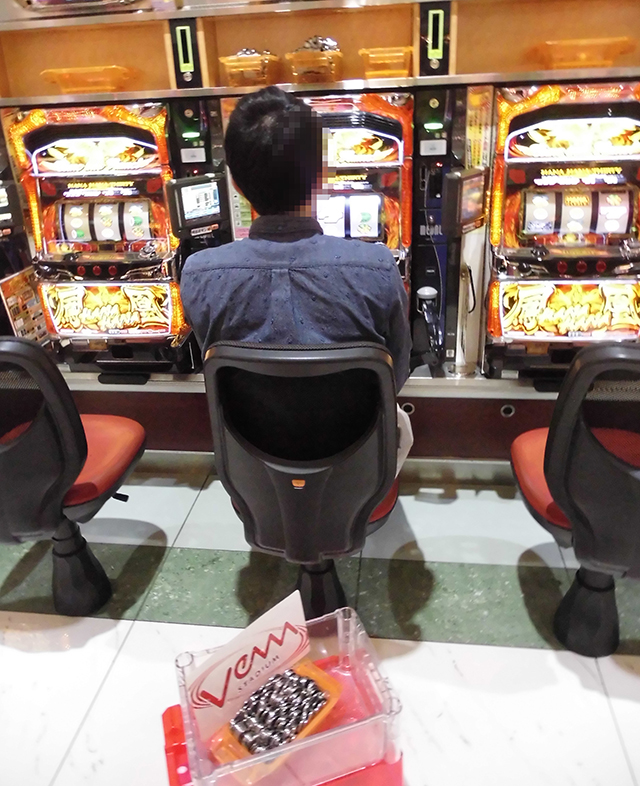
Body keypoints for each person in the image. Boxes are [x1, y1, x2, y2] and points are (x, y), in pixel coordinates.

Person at [180, 86, 413, 472]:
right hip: (356, 465)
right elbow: (395, 375)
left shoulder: (199, 274)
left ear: (234, 183)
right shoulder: (376, 266)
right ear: (321, 176)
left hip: (253, 466)